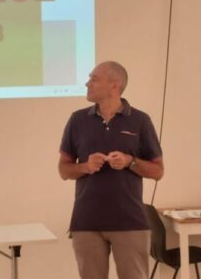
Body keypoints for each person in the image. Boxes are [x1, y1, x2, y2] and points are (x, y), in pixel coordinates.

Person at [58, 61, 164, 279]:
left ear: (115, 85)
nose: (87, 83)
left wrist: (130, 162)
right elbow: (63, 170)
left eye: (94, 79)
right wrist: (86, 166)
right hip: (86, 223)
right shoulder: (77, 120)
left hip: (130, 222)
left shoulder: (140, 120)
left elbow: (158, 171)